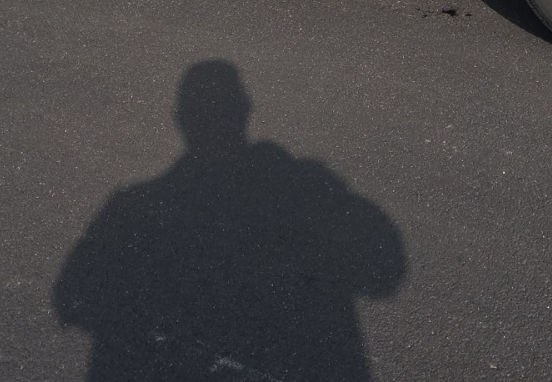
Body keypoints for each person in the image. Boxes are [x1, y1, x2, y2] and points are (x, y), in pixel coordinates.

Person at [53, 61, 406, 381]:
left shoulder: (134, 205)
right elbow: (384, 272)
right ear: (245, 110)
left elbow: (72, 299)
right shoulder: (300, 186)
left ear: (180, 119)